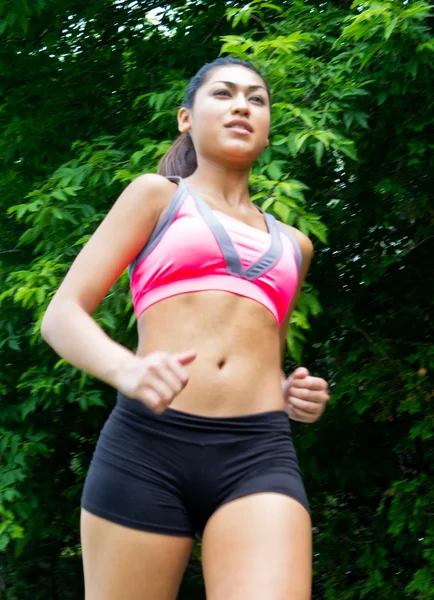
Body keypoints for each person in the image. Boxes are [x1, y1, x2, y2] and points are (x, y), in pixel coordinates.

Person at [41, 57, 330, 600]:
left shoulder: (296, 245)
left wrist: (289, 390)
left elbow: (258, 350)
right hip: (147, 447)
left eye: (257, 99)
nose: (242, 105)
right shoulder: (156, 196)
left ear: (268, 130)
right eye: (223, 94)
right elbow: (60, 316)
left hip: (258, 454)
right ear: (186, 119)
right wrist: (126, 368)